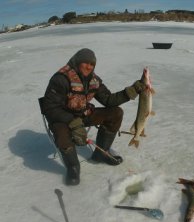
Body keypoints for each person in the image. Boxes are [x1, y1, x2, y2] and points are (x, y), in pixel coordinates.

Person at [42, 48, 146, 185]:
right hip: (61, 118)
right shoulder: (61, 79)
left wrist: (132, 91)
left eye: (92, 64)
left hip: (83, 115)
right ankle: (73, 167)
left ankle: (101, 154)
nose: (89, 66)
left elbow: (109, 100)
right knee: (61, 134)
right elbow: (50, 108)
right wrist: (72, 122)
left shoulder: (94, 80)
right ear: (77, 62)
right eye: (85, 63)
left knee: (116, 113)